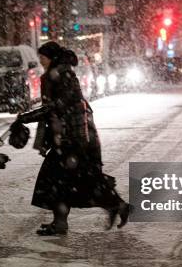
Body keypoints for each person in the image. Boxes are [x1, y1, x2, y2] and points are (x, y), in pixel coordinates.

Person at [13, 41, 131, 236]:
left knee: (66, 180)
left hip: (75, 137)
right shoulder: (57, 74)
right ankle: (114, 207)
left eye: (43, 58)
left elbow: (58, 107)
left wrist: (26, 118)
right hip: (69, 137)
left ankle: (115, 206)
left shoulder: (62, 75)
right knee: (70, 180)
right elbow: (54, 111)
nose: (41, 61)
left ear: (52, 58)